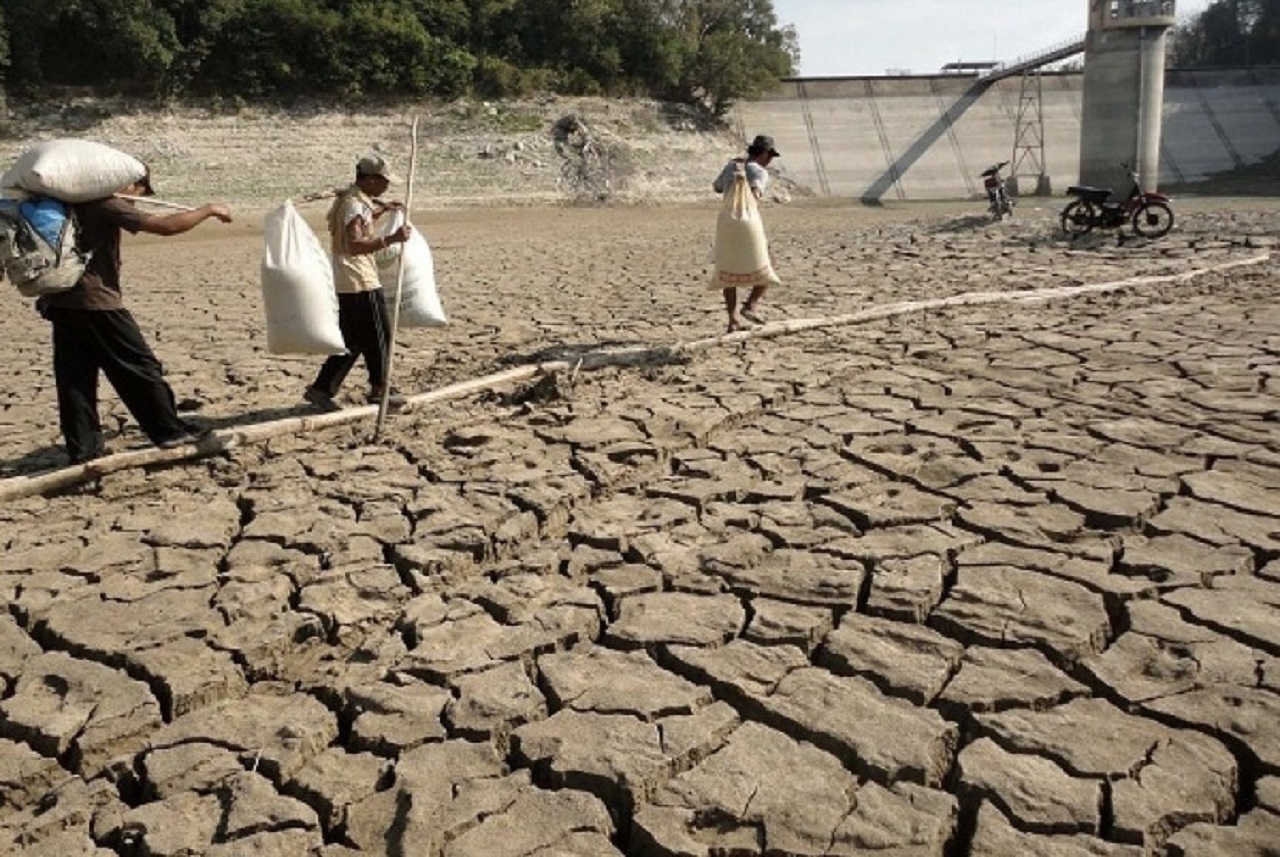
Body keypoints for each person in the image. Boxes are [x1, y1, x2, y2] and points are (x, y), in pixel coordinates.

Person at [37, 169, 233, 464]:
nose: (136, 202)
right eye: (140, 193)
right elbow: (165, 226)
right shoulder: (105, 203)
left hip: (61, 302)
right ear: (131, 183)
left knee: (75, 377)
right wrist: (208, 210)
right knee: (139, 366)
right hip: (97, 302)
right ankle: (169, 431)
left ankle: (84, 449)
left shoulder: (68, 205)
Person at [304, 153, 411, 411]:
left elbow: (358, 226)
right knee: (378, 334)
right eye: (384, 182)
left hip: (346, 278)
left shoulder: (352, 200)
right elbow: (354, 244)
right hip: (359, 279)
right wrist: (392, 238)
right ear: (371, 180)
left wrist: (380, 211)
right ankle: (379, 387)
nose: (387, 187)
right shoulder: (354, 204)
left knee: (353, 338)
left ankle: (322, 388)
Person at [712, 134, 779, 331]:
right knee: (770, 263)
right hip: (748, 223)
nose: (770, 160)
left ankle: (733, 320)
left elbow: (717, 187)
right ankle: (751, 305)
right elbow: (756, 193)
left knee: (727, 270)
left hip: (726, 223)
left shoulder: (731, 165)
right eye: (771, 156)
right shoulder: (760, 171)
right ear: (765, 154)